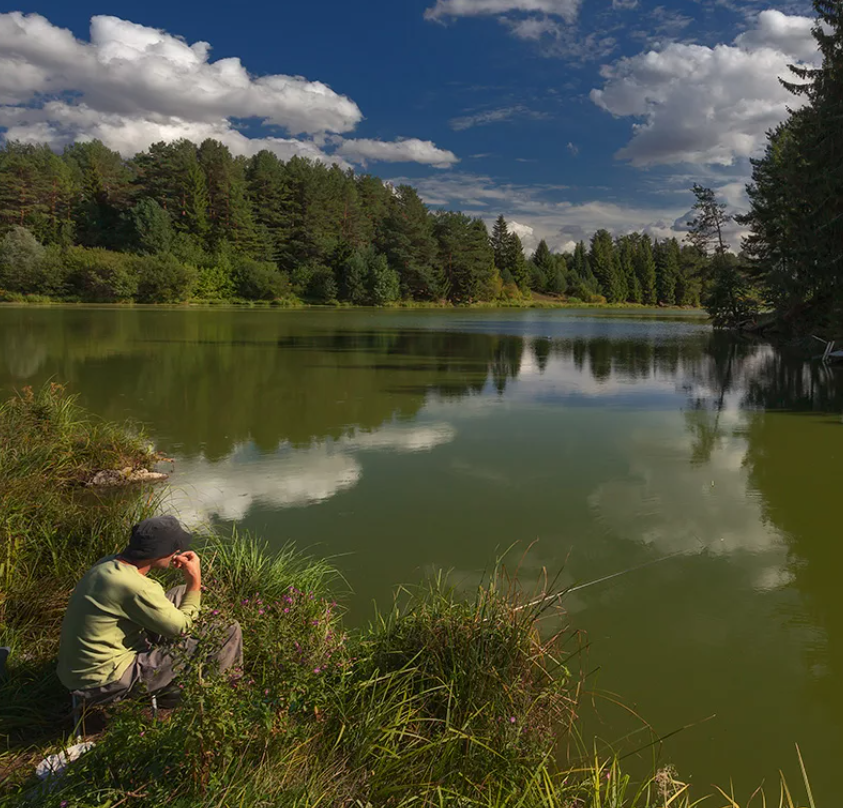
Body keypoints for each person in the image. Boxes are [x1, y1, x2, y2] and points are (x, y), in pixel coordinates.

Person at [57, 515, 242, 705]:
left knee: (180, 592)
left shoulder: (108, 565)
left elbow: (144, 598)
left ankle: (185, 671)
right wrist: (194, 582)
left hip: (76, 673)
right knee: (227, 629)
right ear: (158, 553)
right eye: (174, 548)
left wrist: (187, 590)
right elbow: (183, 628)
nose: (178, 551)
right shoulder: (135, 587)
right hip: (105, 682)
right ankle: (217, 693)